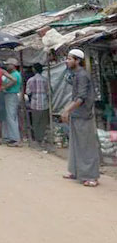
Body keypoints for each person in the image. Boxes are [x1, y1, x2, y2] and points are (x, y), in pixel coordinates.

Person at [60, 49, 100, 187]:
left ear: (77, 61)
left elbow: (81, 98)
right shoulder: (76, 74)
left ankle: (91, 176)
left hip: (83, 114)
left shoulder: (82, 75)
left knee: (86, 146)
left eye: (70, 59)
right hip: (77, 114)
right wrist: (69, 110)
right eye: (67, 58)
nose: (67, 61)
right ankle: (75, 171)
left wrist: (67, 110)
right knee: (76, 144)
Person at [26, 63, 49, 149]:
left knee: (35, 123)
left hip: (34, 104)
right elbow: (48, 92)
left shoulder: (30, 80)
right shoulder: (45, 80)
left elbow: (28, 92)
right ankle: (41, 139)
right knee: (43, 123)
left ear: (34, 70)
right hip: (44, 104)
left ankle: (37, 140)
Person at [2, 58, 22, 147]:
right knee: (8, 116)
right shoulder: (12, 74)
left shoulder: (15, 75)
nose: (6, 66)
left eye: (8, 64)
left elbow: (8, 85)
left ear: (13, 65)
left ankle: (15, 138)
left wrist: (2, 87)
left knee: (11, 117)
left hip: (11, 95)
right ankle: (9, 136)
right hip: (9, 96)